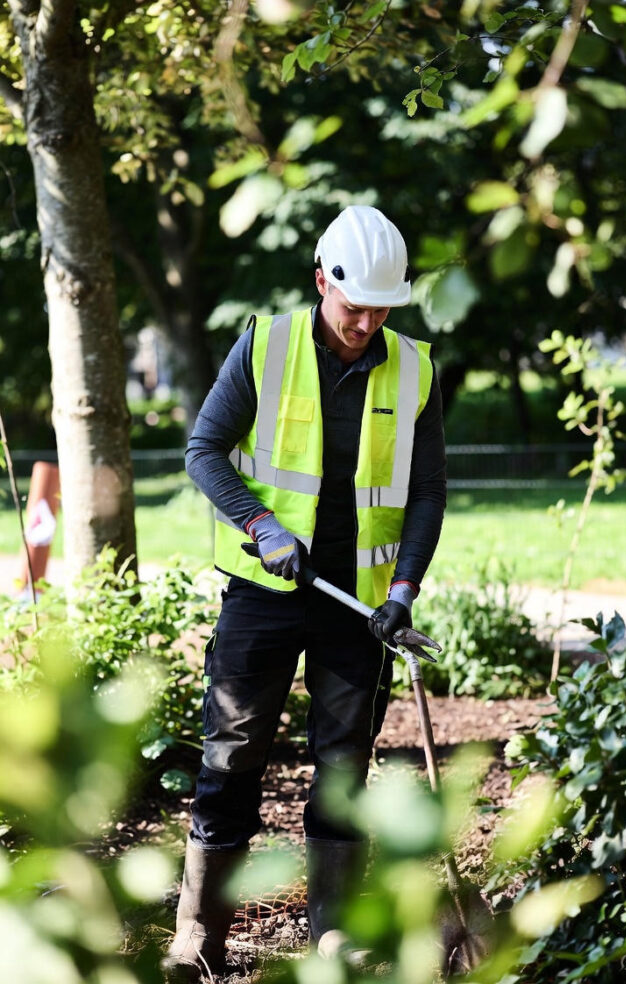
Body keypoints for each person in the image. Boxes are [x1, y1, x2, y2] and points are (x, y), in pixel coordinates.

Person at [163, 204, 447, 981]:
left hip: (356, 603)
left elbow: (425, 492)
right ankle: (199, 934)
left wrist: (403, 586)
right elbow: (203, 449)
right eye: (353, 306)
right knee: (231, 754)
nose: (365, 323)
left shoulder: (414, 368)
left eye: (380, 309)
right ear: (321, 282)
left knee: (344, 766)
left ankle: (332, 936)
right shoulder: (267, 345)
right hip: (263, 592)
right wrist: (260, 524)